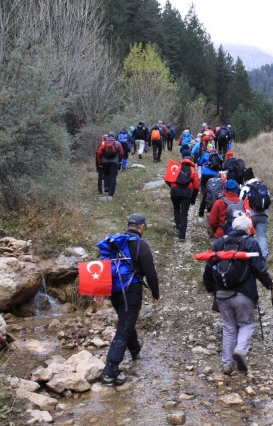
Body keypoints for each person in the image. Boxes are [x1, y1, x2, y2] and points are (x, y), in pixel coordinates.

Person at [202, 215, 273, 375]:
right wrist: (269, 284)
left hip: (221, 292)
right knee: (247, 324)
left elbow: (208, 267)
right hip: (244, 293)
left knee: (229, 327)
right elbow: (259, 268)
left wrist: (210, 289)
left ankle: (227, 365)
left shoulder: (219, 242)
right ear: (248, 229)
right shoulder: (250, 242)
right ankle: (241, 350)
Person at [98, 214, 161, 386]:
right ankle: (109, 372)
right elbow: (150, 273)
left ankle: (134, 350)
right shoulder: (141, 245)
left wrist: (100, 293)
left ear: (128, 225)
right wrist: (156, 295)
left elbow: (102, 268)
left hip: (113, 291)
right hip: (131, 292)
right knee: (124, 328)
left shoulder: (113, 243)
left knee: (126, 321)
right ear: (141, 227)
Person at [167, 156, 200, 240]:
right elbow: (196, 186)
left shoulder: (176, 167)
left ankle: (178, 226)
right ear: (191, 161)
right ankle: (182, 235)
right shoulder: (193, 170)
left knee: (176, 208)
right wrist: (193, 198)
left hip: (175, 192)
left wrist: (171, 187)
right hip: (187, 193)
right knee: (184, 213)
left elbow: (166, 178)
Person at [240, 177, 270, 259]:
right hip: (263, 215)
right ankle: (263, 256)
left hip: (250, 216)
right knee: (261, 236)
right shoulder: (264, 188)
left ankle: (250, 256)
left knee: (249, 236)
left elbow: (240, 202)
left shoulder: (246, 188)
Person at [96, 132, 124, 200]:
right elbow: (121, 153)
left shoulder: (103, 143)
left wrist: (100, 162)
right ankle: (111, 192)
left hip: (105, 162)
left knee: (106, 175)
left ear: (108, 136)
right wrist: (119, 160)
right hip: (114, 162)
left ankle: (106, 187)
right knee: (113, 177)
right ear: (114, 136)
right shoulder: (117, 143)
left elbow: (99, 153)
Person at [197, 143, 221, 221]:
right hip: (215, 175)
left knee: (204, 189)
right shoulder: (216, 155)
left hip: (206, 174)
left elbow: (199, 163)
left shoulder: (205, 154)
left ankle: (206, 201)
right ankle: (213, 204)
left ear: (207, 148)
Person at [96, 133, 108, 198]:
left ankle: (100, 191)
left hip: (100, 164)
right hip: (107, 163)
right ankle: (106, 187)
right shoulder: (109, 143)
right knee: (106, 175)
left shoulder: (100, 145)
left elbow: (97, 154)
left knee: (100, 177)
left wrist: (99, 164)